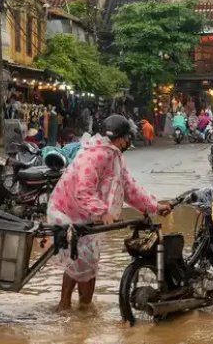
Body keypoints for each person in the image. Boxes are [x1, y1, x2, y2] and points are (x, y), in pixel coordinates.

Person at [46, 115, 171, 312]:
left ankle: (78, 309)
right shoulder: (94, 155)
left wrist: (153, 206)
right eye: (128, 137)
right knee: (81, 261)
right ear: (120, 138)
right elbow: (83, 191)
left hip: (86, 215)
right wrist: (102, 211)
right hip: (67, 212)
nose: (129, 141)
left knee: (82, 261)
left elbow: (129, 188)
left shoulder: (113, 156)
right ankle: (74, 309)